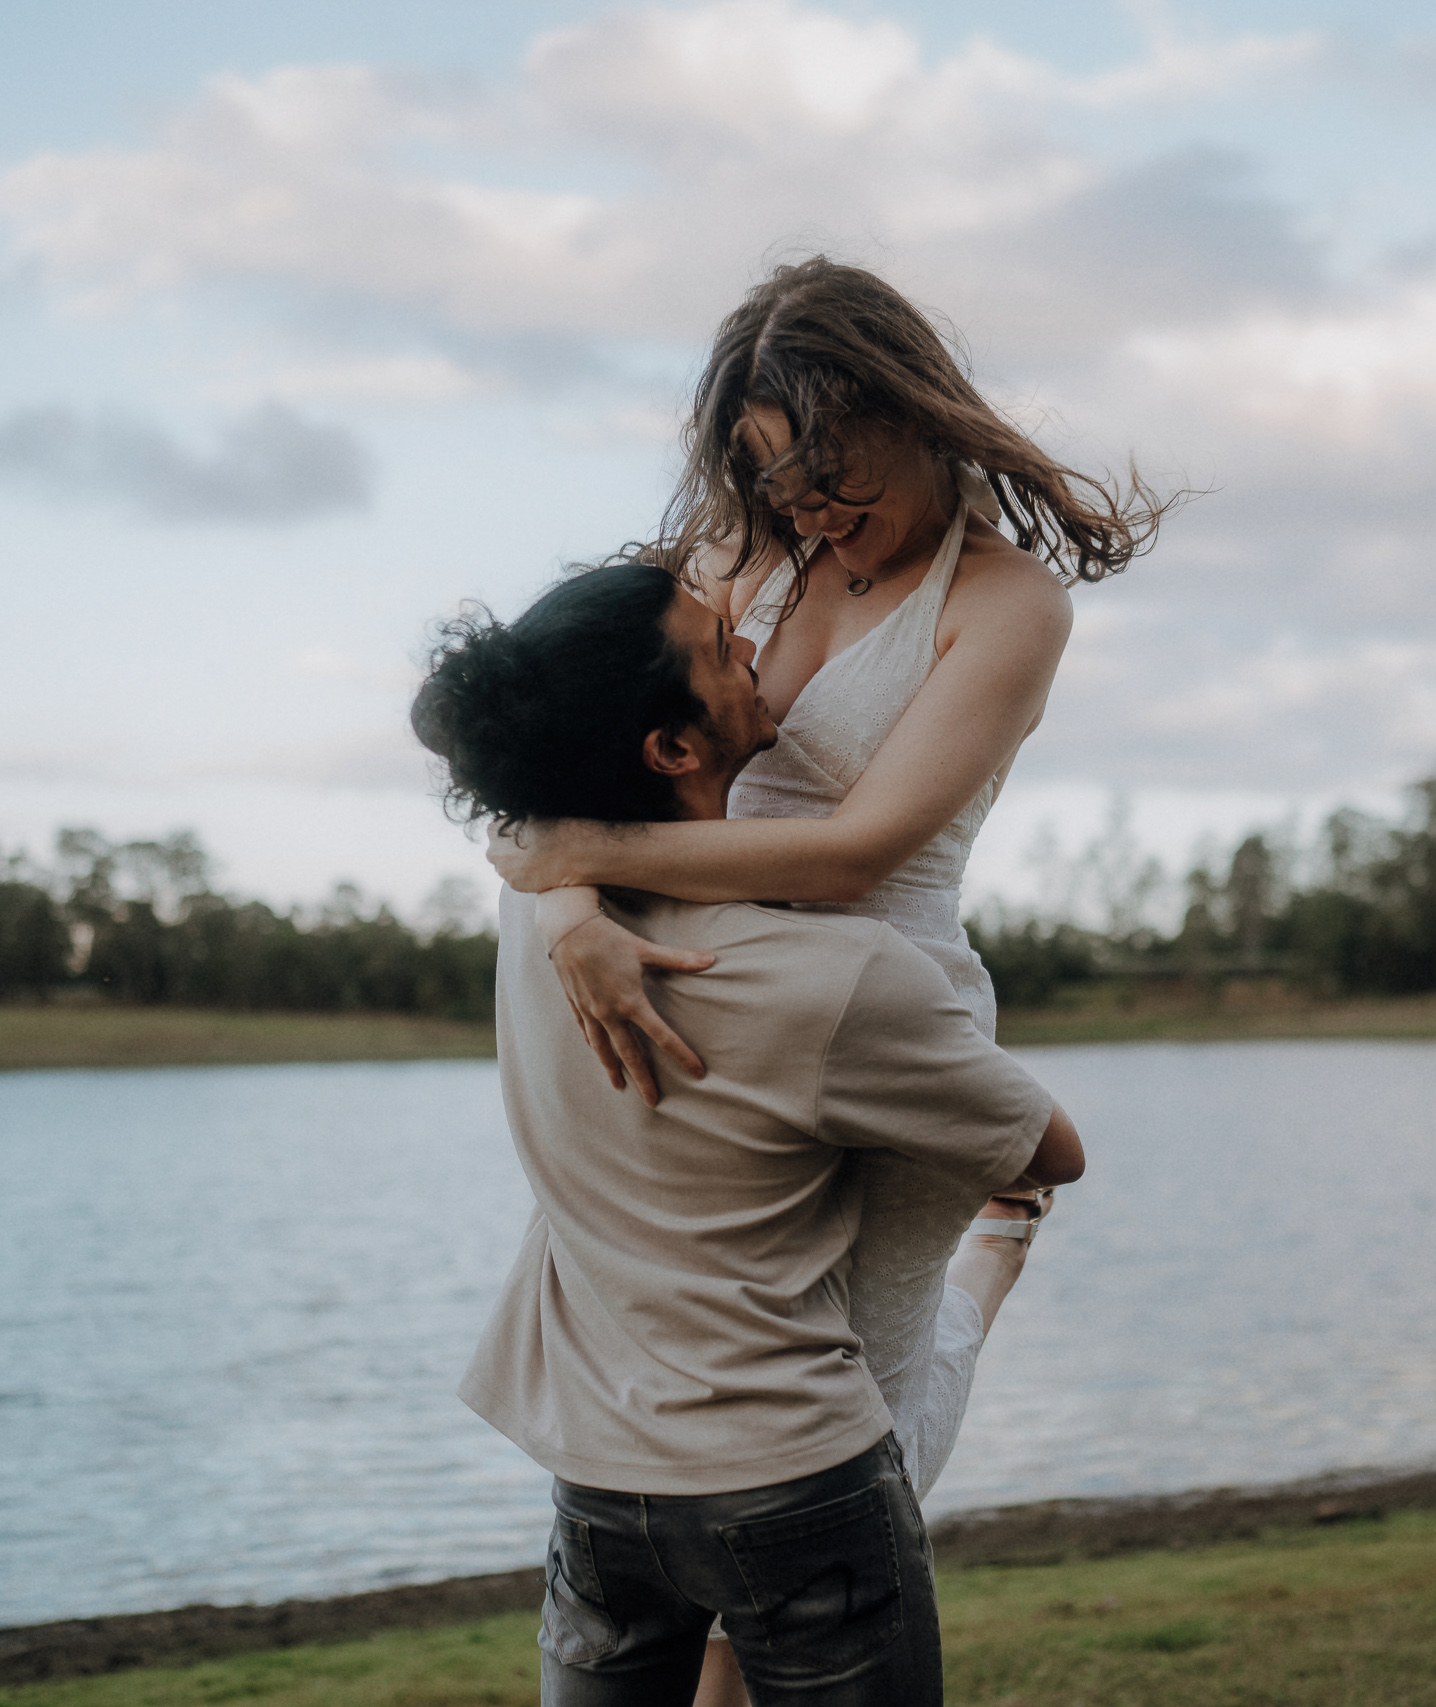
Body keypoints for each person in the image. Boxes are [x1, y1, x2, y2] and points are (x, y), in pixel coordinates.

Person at [487, 255, 1172, 1505]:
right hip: (701, 1007)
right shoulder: (727, 557)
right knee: (675, 1403)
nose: (801, 509)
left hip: (878, 1016)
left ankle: (988, 1252)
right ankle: (1000, 1246)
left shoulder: (1005, 604)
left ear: (907, 409)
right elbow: (548, 772)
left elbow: (861, 846)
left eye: (825, 473)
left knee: (833, 1419)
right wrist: (573, 914)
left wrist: (584, 864)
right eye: (770, 477)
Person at [412, 558, 1085, 1706]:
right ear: (672, 749)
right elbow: (1048, 1153)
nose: (756, 651)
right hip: (789, 1484)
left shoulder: (533, 917)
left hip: (595, 1471)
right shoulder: (836, 980)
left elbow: (537, 849)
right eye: (722, 648)